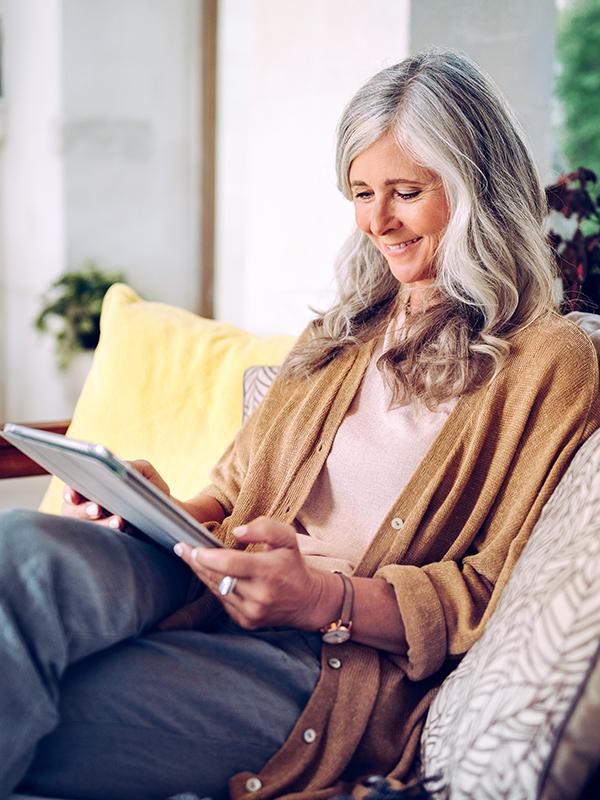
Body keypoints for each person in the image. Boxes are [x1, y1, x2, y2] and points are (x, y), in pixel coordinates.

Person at [2, 47, 600, 800]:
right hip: (203, 582)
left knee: (47, 712)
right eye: (361, 192)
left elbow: (489, 591)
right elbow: (228, 491)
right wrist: (152, 510)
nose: (377, 221)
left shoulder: (548, 359)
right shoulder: (345, 327)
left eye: (406, 192)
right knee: (16, 546)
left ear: (476, 188)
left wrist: (319, 599)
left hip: (321, 669)